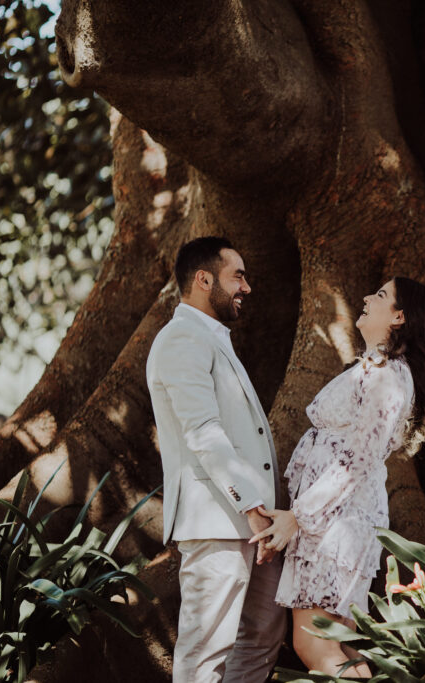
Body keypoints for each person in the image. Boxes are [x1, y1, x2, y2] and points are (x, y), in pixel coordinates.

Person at [253, 277, 425, 677]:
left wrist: (298, 516)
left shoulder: (389, 377)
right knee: (338, 642)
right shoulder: (378, 370)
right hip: (332, 518)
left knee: (313, 642)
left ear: (399, 317)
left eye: (380, 295)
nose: (366, 298)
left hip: (335, 521)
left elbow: (359, 458)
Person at [145, 236, 287, 683]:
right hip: (219, 520)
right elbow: (203, 432)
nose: (247, 286)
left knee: (263, 635)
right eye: (237, 276)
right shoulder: (181, 339)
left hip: (254, 522)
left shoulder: (214, 337)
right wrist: (251, 506)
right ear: (204, 280)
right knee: (205, 650)